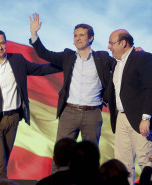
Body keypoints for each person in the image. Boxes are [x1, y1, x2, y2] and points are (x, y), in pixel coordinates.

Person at [0, 29, 61, 184]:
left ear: (6, 43)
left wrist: (66, 63)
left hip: (13, 119)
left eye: (2, 43)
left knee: (1, 165)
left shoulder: (17, 60)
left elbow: (41, 70)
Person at [29, 13, 113, 166]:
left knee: (90, 158)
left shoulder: (103, 57)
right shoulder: (67, 56)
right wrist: (34, 34)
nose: (77, 38)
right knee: (61, 155)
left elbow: (120, 67)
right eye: (75, 35)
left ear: (91, 38)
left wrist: (134, 53)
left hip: (92, 114)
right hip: (69, 112)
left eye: (81, 35)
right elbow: (44, 53)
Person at [106, 29, 152, 184]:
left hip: (141, 119)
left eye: (112, 43)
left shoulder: (144, 58)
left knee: (147, 160)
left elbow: (151, 89)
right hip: (121, 118)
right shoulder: (115, 63)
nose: (108, 47)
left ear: (123, 43)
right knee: (122, 165)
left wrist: (146, 118)